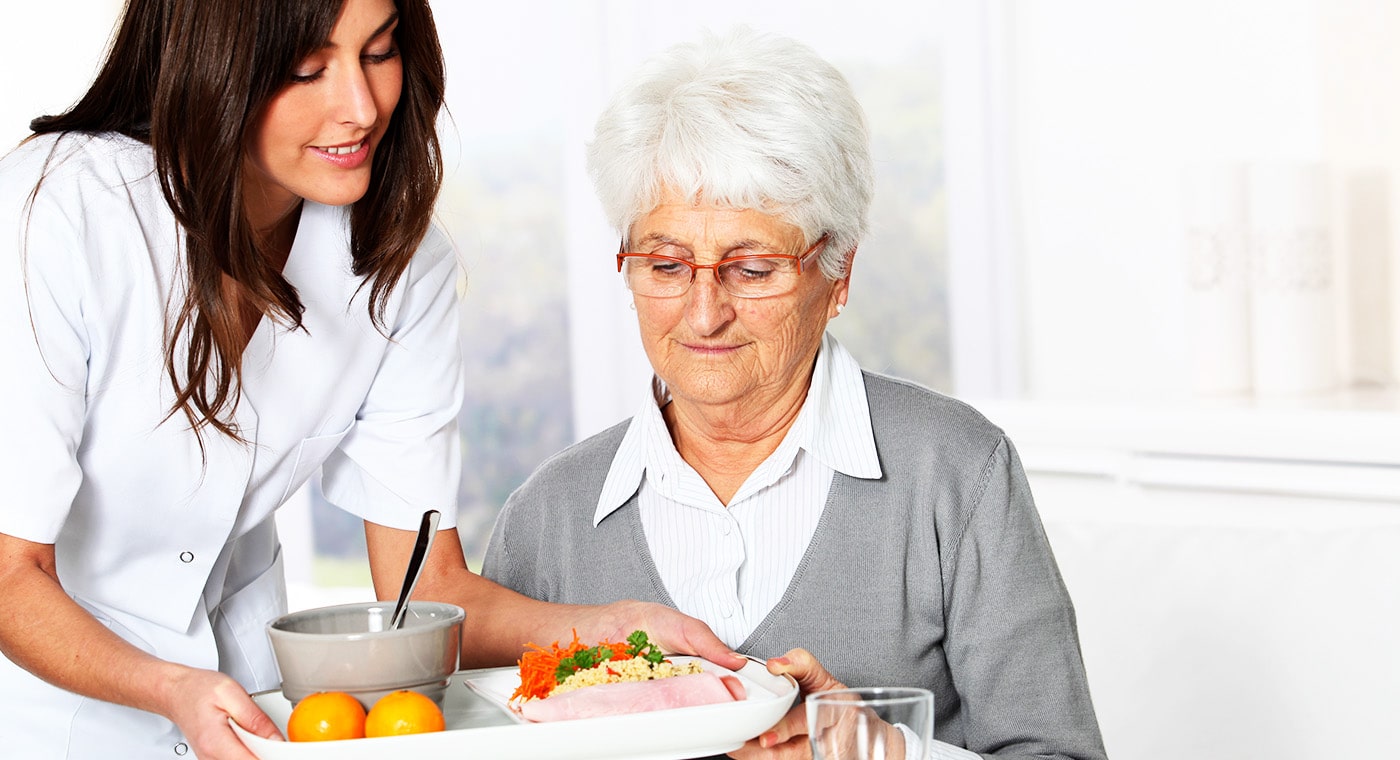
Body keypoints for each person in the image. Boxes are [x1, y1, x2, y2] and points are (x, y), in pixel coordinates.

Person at [0, 2, 738, 758]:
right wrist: (170, 688)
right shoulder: (55, 214)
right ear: (207, 66)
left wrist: (612, 630)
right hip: (46, 714)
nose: (359, 108)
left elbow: (426, 591)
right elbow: (8, 575)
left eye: (379, 54)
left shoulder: (398, 267)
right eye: (307, 70)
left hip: (255, 707)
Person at [482, 27, 1108, 760]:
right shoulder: (547, 520)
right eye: (666, 264)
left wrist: (888, 753)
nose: (705, 311)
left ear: (837, 275)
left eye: (751, 268)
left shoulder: (958, 474)